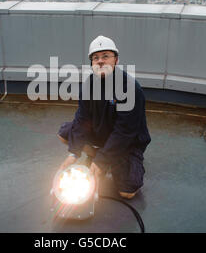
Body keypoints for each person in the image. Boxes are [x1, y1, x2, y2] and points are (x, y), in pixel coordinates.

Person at [57, 35, 151, 199]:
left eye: (105, 56)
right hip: (102, 134)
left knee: (127, 192)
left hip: (128, 142)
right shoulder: (88, 84)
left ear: (116, 60)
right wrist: (73, 154)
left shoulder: (129, 88)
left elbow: (124, 133)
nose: (100, 61)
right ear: (92, 64)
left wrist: (102, 161)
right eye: (95, 58)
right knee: (65, 133)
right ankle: (98, 153)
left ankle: (115, 159)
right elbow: (81, 119)